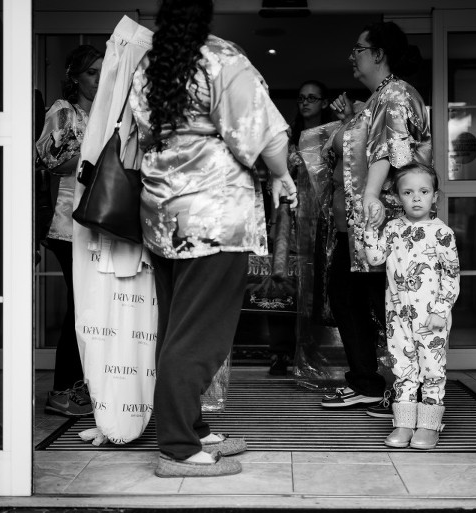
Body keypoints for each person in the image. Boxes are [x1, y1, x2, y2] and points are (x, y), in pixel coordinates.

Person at [129, 0, 297, 477]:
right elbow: (263, 134)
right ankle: (178, 449)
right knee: (200, 336)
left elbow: (142, 134)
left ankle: (193, 427)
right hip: (213, 219)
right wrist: (281, 175)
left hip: (163, 217)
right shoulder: (221, 58)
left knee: (178, 328)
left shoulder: (150, 65)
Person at [301, 22, 431, 410]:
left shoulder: (394, 94)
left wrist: (372, 193)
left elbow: (395, 151)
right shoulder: (379, 97)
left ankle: (414, 389)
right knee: (352, 298)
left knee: (390, 304)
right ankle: (369, 382)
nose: (352, 57)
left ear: (379, 53)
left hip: (384, 226)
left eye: (358, 49)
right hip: (361, 228)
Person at [363, 163, 460, 449]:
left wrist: (441, 310)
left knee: (432, 369)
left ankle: (429, 426)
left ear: (435, 197)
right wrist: (371, 228)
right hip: (398, 317)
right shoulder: (392, 229)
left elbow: (451, 275)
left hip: (432, 319)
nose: (416, 198)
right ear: (396, 198)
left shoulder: (442, 233)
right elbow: (376, 259)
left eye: (423, 191)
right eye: (408, 192)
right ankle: (404, 423)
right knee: (402, 368)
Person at [36, 44, 103, 417]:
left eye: (101, 72)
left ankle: (82, 386)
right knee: (80, 307)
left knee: (90, 308)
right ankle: (62, 390)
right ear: (75, 77)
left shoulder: (108, 114)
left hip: (98, 222)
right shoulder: (65, 112)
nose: (97, 78)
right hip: (67, 224)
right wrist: (97, 158)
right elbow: (50, 160)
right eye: (91, 72)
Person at [268, 80, 335, 377]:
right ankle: (280, 352)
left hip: (323, 218)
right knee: (286, 282)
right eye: (301, 97)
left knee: (317, 286)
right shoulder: (289, 134)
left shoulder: (334, 133)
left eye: (312, 98)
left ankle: (312, 351)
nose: (305, 102)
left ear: (324, 102)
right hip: (292, 218)